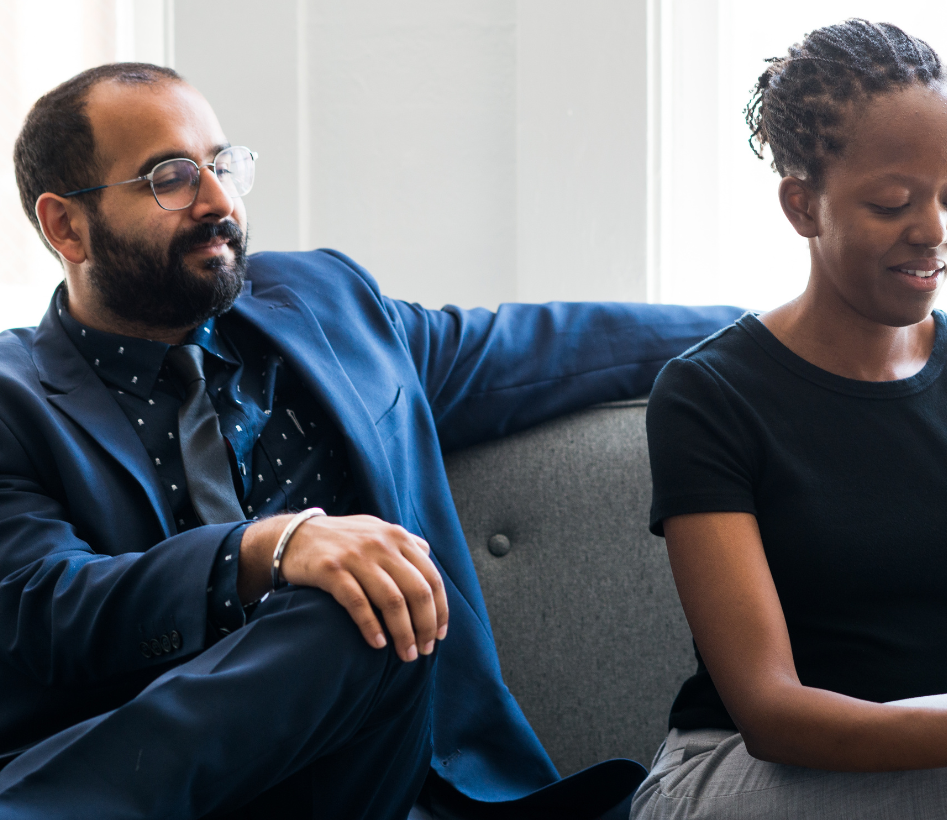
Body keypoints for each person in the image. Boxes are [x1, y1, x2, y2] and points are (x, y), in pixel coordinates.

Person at [0, 62, 740, 820]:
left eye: (222, 165)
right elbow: (40, 607)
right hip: (174, 787)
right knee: (358, 601)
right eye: (170, 178)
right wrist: (268, 549)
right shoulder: (14, 397)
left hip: (401, 787)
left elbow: (544, 349)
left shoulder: (324, 306)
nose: (219, 201)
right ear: (66, 225)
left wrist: (778, 330)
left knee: (372, 596)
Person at [632, 19, 947, 820]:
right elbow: (771, 713)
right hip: (737, 775)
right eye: (892, 203)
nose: (934, 233)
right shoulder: (708, 395)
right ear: (803, 205)